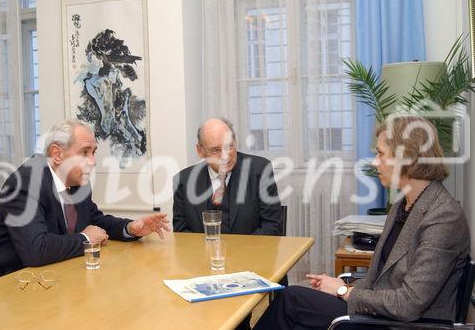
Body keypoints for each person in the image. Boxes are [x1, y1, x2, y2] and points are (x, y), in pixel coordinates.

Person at [253, 115, 470, 329]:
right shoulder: (403, 204)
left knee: (292, 301)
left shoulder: (443, 217)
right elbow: (381, 278)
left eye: (380, 154)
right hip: (383, 315)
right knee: (296, 306)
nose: (375, 162)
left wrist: (344, 292)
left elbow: (408, 304)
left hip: (403, 324)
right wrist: (344, 285)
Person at [0, 119, 170, 285]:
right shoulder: (26, 182)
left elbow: (94, 221)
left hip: (45, 279)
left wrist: (130, 228)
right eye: (84, 152)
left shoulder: (78, 182)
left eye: (93, 152)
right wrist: (85, 239)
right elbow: (35, 250)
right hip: (0, 284)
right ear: (57, 154)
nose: (92, 161)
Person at [172, 117, 282, 236]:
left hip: (249, 252)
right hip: (202, 253)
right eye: (216, 150)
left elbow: (272, 226)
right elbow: (181, 234)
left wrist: (241, 251)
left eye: (229, 146)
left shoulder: (260, 170)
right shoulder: (184, 181)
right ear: (200, 151)